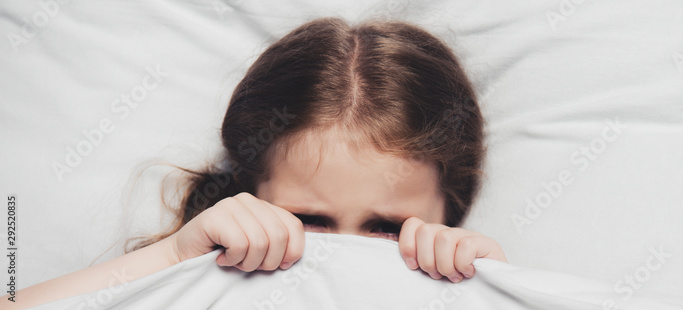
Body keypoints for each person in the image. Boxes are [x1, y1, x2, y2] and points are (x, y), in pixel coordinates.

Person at [7, 17, 505, 309]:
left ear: (450, 211)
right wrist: (173, 259)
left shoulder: (456, 289)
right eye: (310, 220)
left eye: (387, 228)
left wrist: (495, 292)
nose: (345, 254)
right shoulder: (211, 278)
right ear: (246, 195)